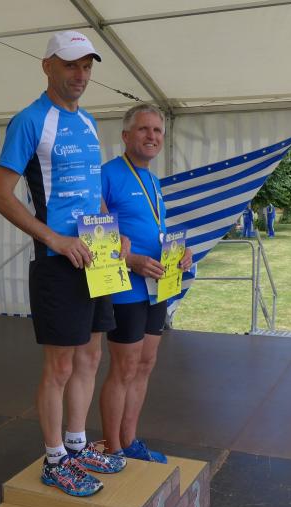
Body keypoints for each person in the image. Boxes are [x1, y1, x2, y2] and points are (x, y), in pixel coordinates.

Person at [0, 30, 127, 497]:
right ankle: (54, 460)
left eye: (86, 66)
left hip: (97, 256)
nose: (80, 75)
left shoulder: (88, 121)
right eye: (70, 65)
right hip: (57, 261)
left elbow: (91, 190)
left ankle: (76, 445)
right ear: (47, 65)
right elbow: (0, 195)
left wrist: (110, 231)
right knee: (60, 368)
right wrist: (55, 239)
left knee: (91, 356)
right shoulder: (30, 121)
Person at [99, 104, 193, 463]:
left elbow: (156, 230)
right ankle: (113, 448)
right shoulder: (108, 175)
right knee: (124, 368)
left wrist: (180, 252)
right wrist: (131, 260)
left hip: (157, 285)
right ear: (126, 136)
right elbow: (93, 232)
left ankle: (130, 440)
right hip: (125, 287)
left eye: (157, 130)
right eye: (143, 129)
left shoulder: (153, 181)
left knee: (145, 364)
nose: (152, 136)